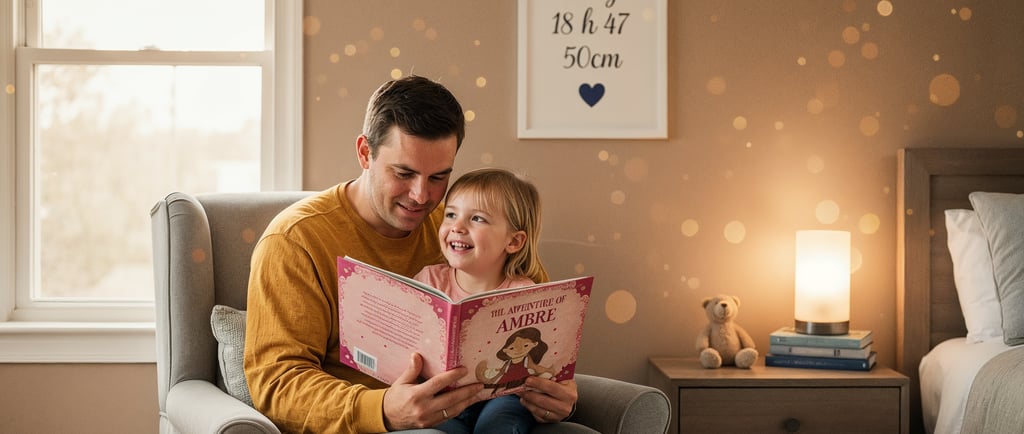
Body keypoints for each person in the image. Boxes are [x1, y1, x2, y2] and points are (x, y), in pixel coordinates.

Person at [243, 75, 577, 434]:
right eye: (404, 173)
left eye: (438, 177)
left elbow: (541, 316)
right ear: (364, 153)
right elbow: (276, 383)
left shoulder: (461, 229)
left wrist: (556, 395)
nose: (421, 196)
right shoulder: (296, 240)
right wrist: (383, 409)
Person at [412, 168, 550, 434]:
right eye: (450, 214)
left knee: (500, 425)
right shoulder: (429, 280)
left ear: (513, 241)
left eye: (477, 218)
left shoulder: (523, 292)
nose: (457, 227)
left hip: (502, 395)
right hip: (439, 395)